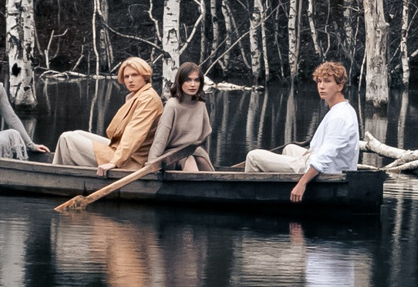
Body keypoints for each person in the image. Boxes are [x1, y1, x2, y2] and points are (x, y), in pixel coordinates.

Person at [244, 60, 361, 202]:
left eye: (327, 81)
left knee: (253, 156)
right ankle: (278, 185)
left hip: (330, 171)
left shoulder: (339, 117)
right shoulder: (343, 108)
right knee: (290, 149)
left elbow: (326, 155)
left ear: (339, 86)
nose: (321, 86)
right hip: (330, 163)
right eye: (319, 82)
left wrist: (302, 183)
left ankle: (252, 199)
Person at [52, 57, 163, 172]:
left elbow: (134, 133)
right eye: (126, 76)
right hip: (121, 150)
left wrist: (114, 162)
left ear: (145, 76)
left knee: (67, 138)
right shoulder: (139, 96)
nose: (130, 80)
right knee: (76, 133)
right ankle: (63, 173)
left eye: (135, 75)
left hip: (131, 160)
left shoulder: (148, 98)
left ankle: (59, 176)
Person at [144, 62, 216, 174]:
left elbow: (204, 137)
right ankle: (192, 187)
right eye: (188, 80)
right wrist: (152, 164)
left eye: (196, 80)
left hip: (193, 151)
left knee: (204, 163)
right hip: (172, 155)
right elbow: (160, 138)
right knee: (189, 160)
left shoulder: (200, 104)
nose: (193, 84)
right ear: (180, 82)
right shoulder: (172, 105)